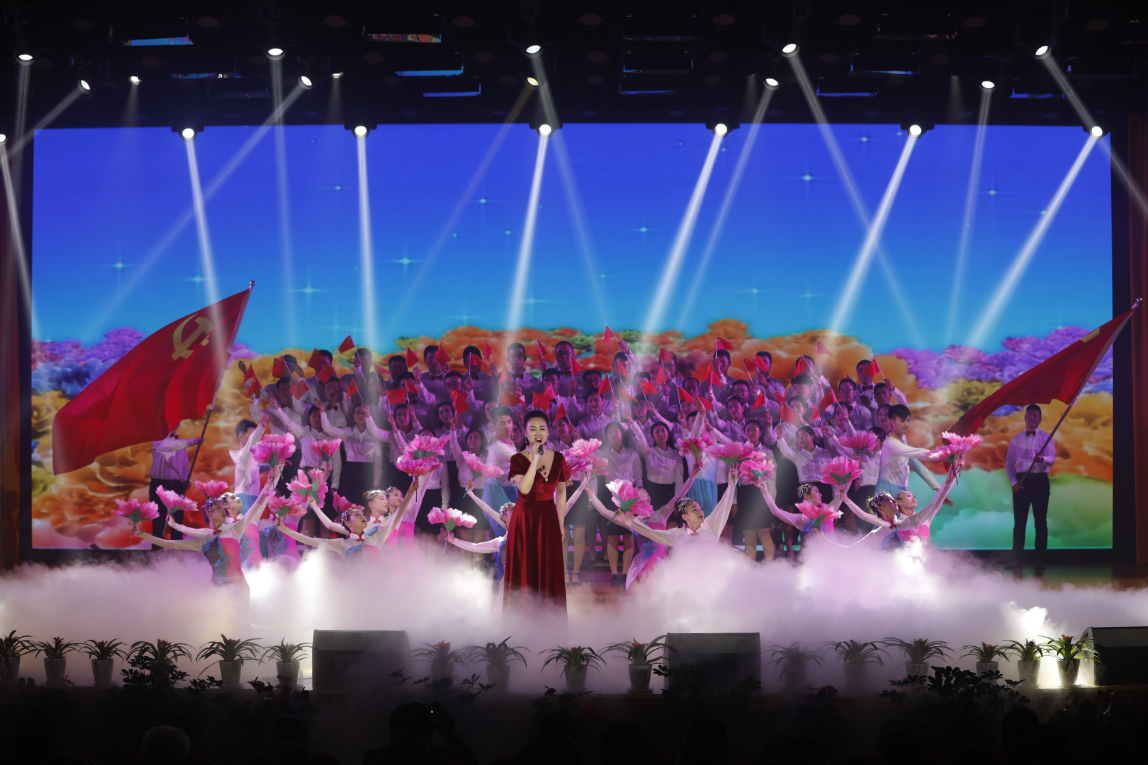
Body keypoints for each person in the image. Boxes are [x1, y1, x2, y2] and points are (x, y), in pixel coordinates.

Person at [132, 466, 281, 589]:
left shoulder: (234, 530)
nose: (223, 510)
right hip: (216, 590)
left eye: (223, 508)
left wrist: (270, 482)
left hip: (237, 588)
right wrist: (143, 534)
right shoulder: (204, 541)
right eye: (218, 508)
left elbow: (257, 505)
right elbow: (168, 543)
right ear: (209, 513)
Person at [504, 410, 570, 612]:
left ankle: (548, 620)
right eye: (532, 429)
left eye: (542, 428)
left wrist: (560, 522)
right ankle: (523, 619)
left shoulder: (558, 458)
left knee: (548, 567)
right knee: (525, 567)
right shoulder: (518, 459)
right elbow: (524, 489)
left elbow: (561, 492)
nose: (538, 433)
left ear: (549, 432)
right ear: (525, 433)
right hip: (524, 519)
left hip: (548, 518)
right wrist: (534, 459)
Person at [841, 456, 963, 549]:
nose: (913, 498)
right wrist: (846, 498)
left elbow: (937, 502)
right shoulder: (892, 524)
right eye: (908, 496)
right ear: (898, 502)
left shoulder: (920, 519)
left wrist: (951, 477)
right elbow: (864, 517)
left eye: (914, 496)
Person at [1006, 404, 1056, 573]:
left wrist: (1042, 459)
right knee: (1019, 523)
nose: (1032, 418)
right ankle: (1016, 562)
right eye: (1030, 415)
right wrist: (1014, 482)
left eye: (1036, 416)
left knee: (1041, 522)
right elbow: (1009, 463)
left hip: (1040, 482)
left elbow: (1052, 459)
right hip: (1022, 482)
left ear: (1040, 419)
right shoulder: (1016, 439)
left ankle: (1039, 562)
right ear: (1025, 418)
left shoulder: (1047, 438)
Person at [876, 404, 947, 502]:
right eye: (902, 421)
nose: (906, 424)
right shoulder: (890, 443)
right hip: (886, 490)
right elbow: (918, 453)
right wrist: (943, 454)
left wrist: (938, 488)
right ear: (892, 421)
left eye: (908, 420)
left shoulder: (904, 444)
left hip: (900, 490)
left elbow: (919, 467)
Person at [148, 431, 202, 545]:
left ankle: (177, 552)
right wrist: (192, 441)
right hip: (158, 485)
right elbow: (169, 446)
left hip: (176, 485)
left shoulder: (180, 442)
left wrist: (185, 479)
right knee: (158, 520)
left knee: (177, 521)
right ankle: (157, 553)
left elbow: (184, 463)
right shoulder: (158, 439)